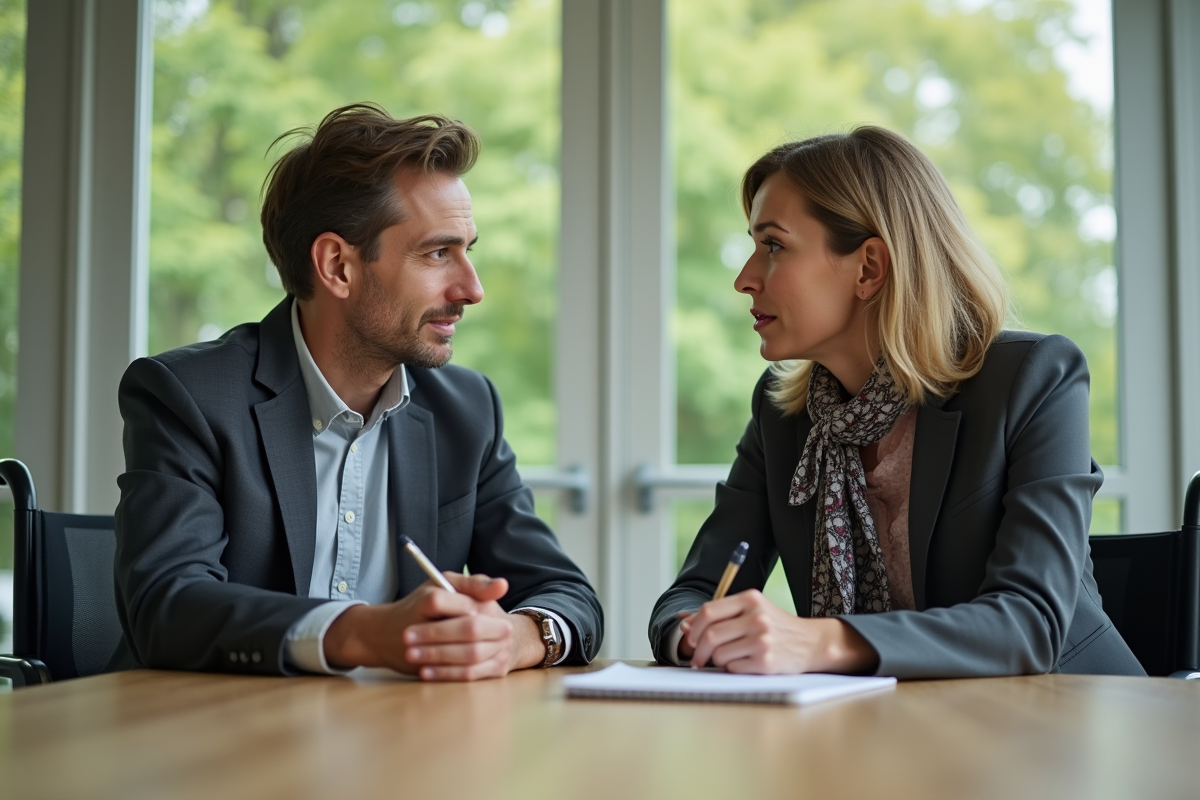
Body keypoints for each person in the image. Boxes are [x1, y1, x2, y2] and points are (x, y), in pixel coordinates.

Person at [115, 104, 602, 680]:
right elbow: (166, 604)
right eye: (438, 253)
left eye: (470, 250)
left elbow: (567, 593)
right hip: (210, 737)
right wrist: (363, 631)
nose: (472, 288)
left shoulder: (465, 409)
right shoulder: (189, 396)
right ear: (337, 266)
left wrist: (517, 637)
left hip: (399, 739)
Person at [648, 127, 1143, 679]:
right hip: (882, 731)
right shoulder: (780, 413)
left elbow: (1030, 623)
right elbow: (693, 591)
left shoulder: (1034, 378)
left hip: (1066, 727)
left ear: (869, 268)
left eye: (773, 246)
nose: (744, 279)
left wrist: (820, 642)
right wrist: (699, 634)